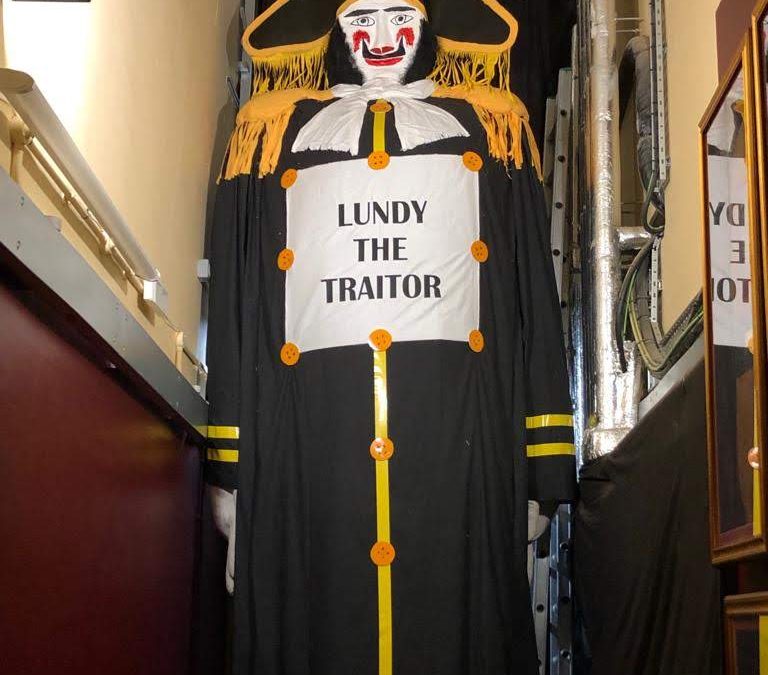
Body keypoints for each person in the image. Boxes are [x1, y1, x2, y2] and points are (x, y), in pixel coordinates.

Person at [205, 2, 576, 673]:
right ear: (336, 30)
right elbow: (234, 304)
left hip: (458, 448)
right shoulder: (268, 133)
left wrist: (542, 467)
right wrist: (227, 472)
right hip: (309, 452)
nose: (381, 37)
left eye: (399, 16)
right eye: (363, 19)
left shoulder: (494, 127)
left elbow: (532, 301)